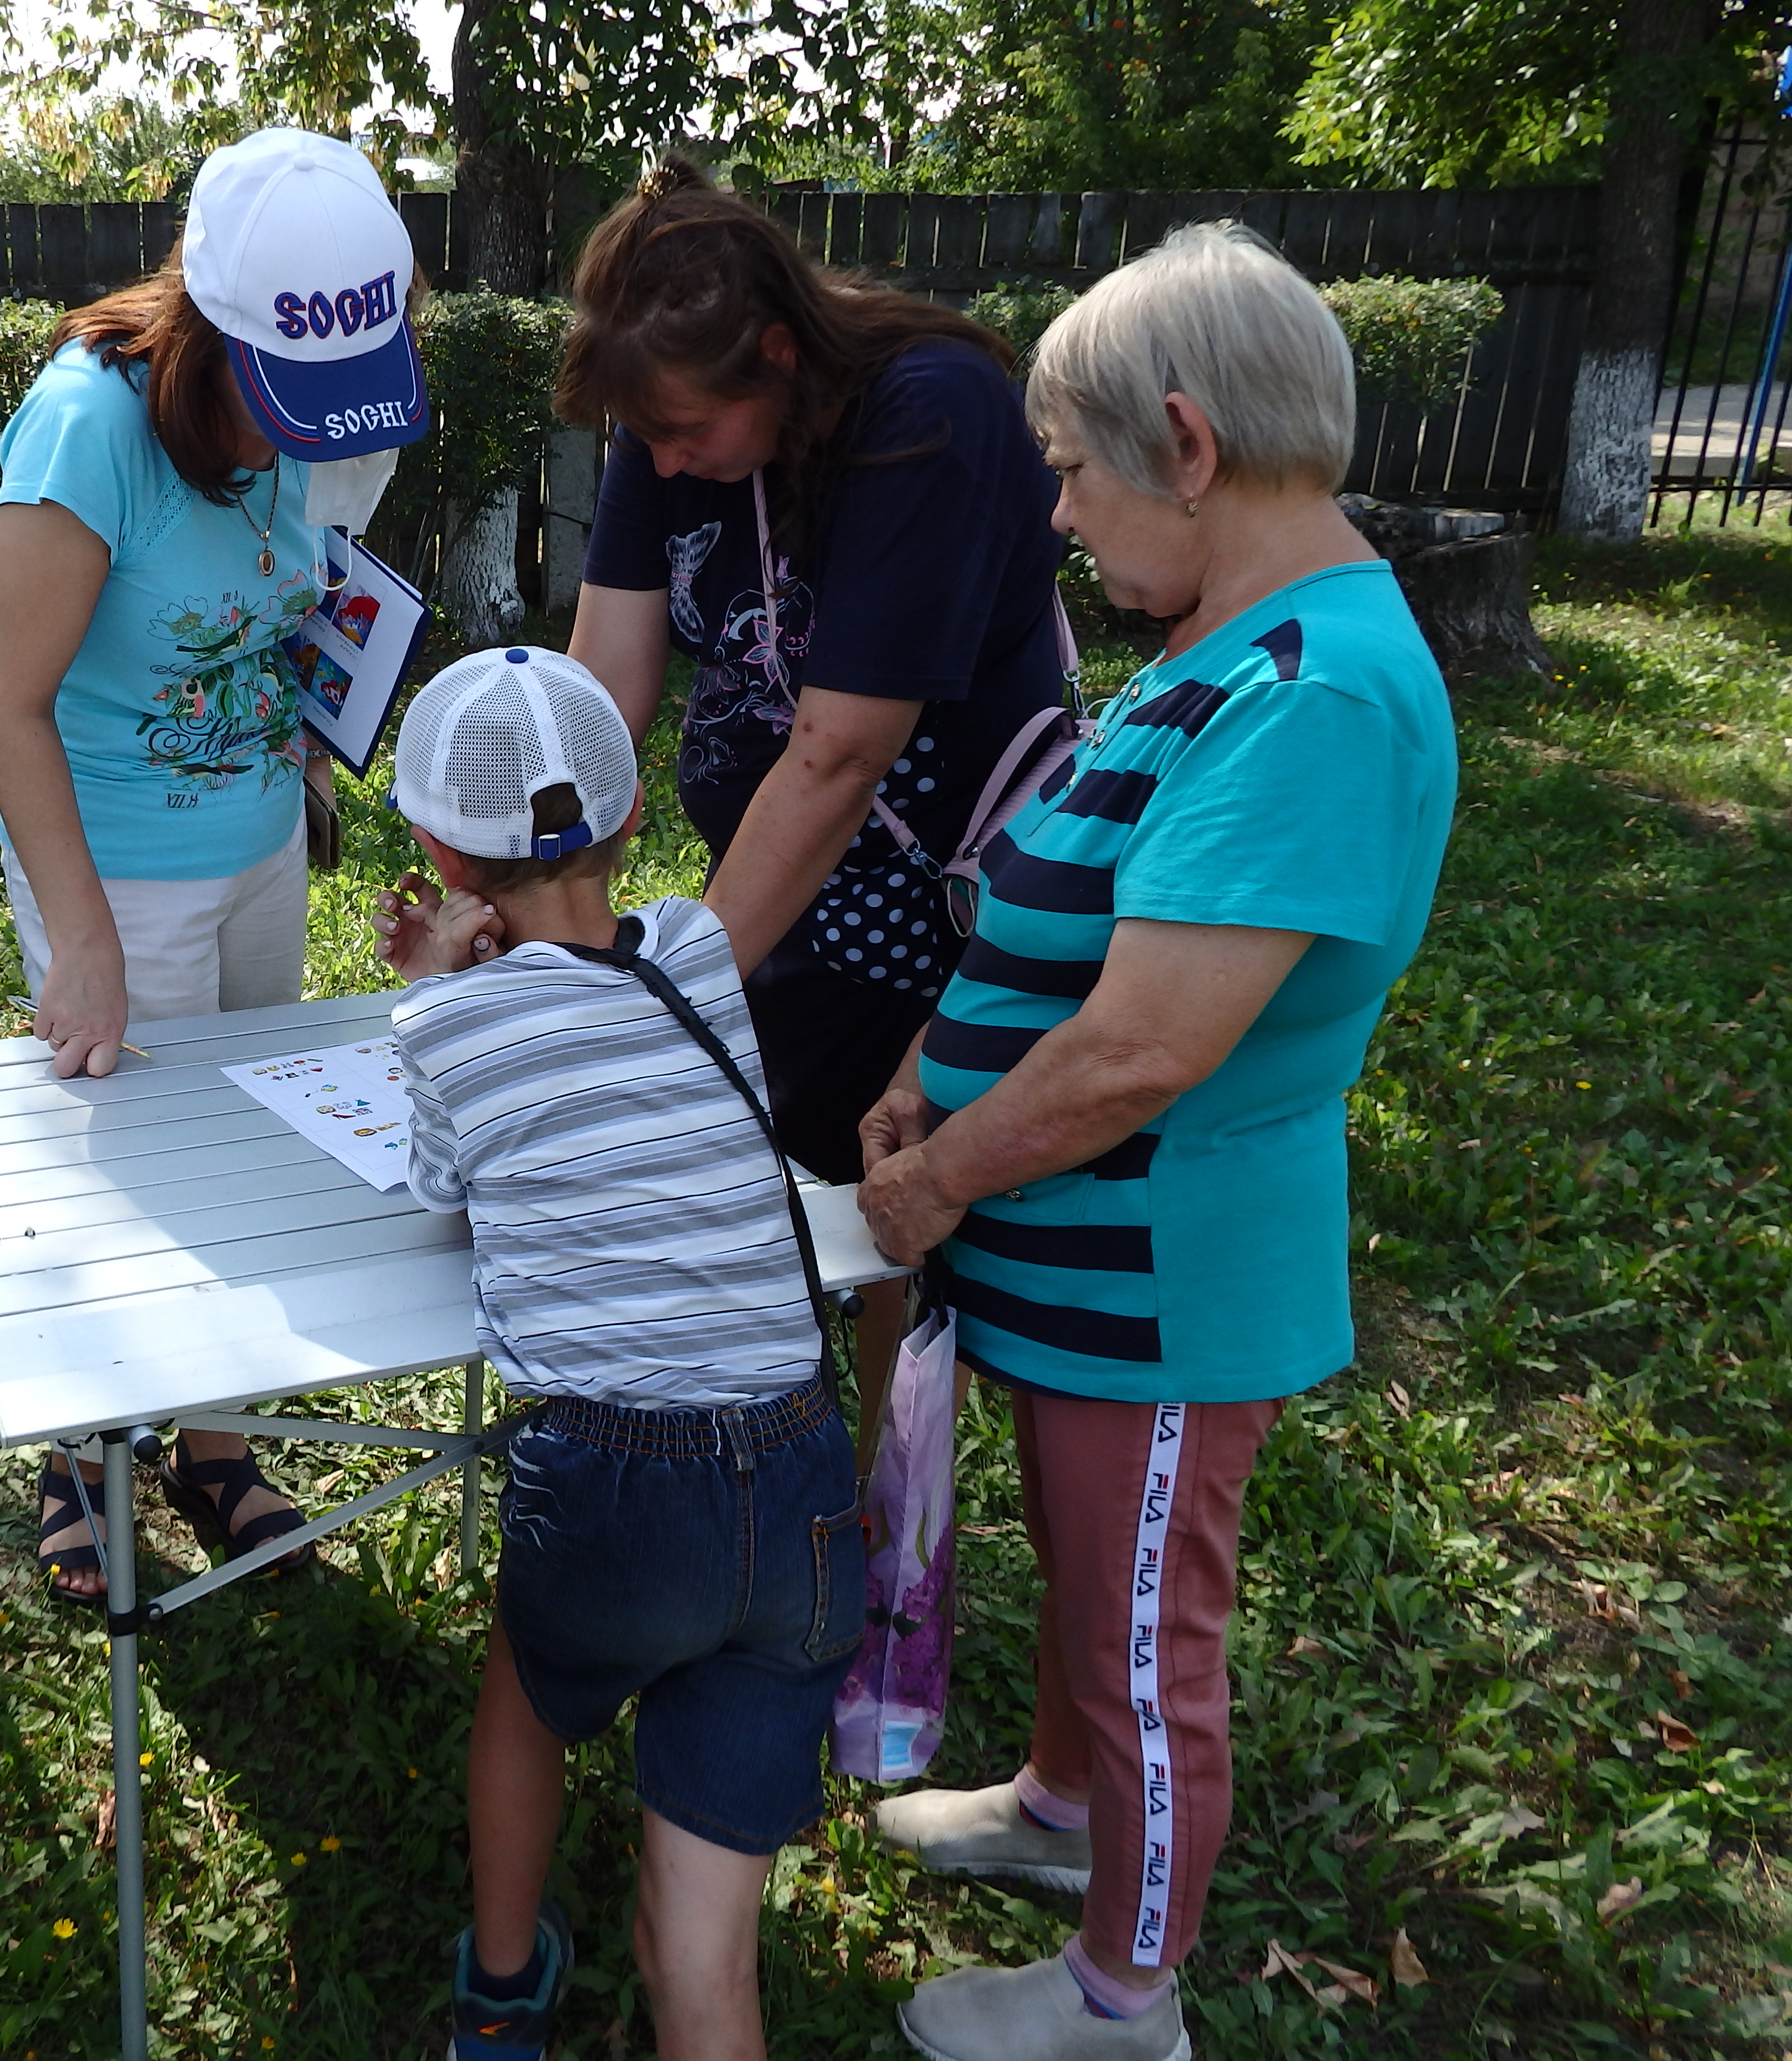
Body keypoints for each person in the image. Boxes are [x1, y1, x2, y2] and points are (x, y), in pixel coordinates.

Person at [853, 222, 1458, 2061]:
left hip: (1161, 1278)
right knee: (1082, 1571)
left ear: (1184, 445)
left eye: (1070, 468)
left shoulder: (1314, 693)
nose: (1058, 515)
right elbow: (1061, 917)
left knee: (1142, 1641)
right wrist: (923, 1066)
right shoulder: (1236, 637)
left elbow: (1139, 1050)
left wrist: (938, 1172)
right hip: (1078, 1265)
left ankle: (1124, 2004)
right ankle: (1056, 1818)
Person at [369, 646, 865, 2061]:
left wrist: (437, 986)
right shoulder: (702, 950)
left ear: (434, 854)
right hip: (796, 1480)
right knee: (701, 1957)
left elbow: (437, 1192)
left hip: (618, 1490)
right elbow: (604, 984)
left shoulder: (445, 1027)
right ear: (635, 814)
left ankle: (503, 1986)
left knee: (526, 1698)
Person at [0, 127, 431, 1599]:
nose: (307, 440)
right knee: (130, 1187)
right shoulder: (84, 431)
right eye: (277, 401)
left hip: (255, 847)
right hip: (114, 865)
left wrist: (305, 760)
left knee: (250, 1167)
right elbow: (7, 699)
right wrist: (84, 933)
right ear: (204, 329)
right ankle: (80, 1454)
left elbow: (303, 600)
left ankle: (213, 1446)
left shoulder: (331, 398)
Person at [561, 156, 1069, 1419]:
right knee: (770, 1181)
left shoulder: (929, 413)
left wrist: (665, 998)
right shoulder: (659, 419)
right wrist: (551, 912)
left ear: (780, 358)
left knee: (879, 1202)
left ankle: (868, 1513)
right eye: (649, 438)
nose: (667, 463)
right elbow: (602, 688)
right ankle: (777, 1472)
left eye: (688, 434)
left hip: (928, 897)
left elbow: (842, 757)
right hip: (779, 886)